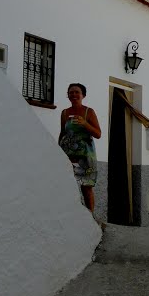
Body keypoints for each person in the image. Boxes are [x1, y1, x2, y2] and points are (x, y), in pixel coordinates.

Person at [58, 83, 101, 212]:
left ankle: (91, 217)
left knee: (86, 187)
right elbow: (62, 133)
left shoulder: (89, 111)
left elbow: (98, 134)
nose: (74, 95)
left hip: (86, 156)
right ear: (68, 95)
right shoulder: (65, 113)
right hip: (69, 155)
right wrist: (58, 150)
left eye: (77, 92)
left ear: (83, 95)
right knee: (68, 186)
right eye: (71, 92)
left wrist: (85, 123)